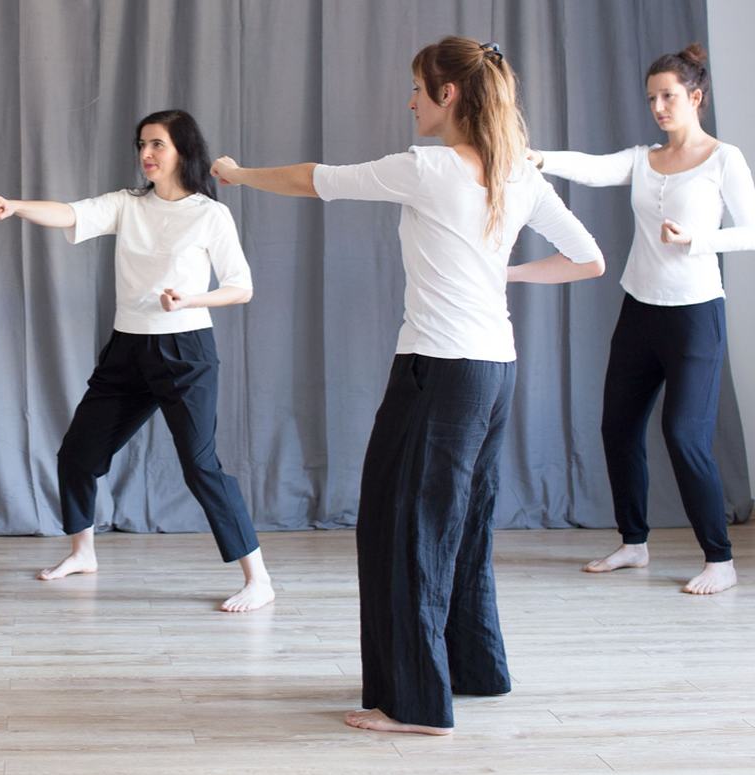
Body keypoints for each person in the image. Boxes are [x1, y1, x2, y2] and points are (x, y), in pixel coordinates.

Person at [211, 37, 604, 733]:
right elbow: (590, 259)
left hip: (438, 371)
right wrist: (502, 274)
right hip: (494, 371)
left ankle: (416, 705)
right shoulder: (517, 174)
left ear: (449, 94)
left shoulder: (429, 168)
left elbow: (315, 179)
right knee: (462, 527)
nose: (411, 100)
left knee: (404, 529)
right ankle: (473, 670)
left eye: (419, 88)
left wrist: (238, 174)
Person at [0, 109, 275, 613]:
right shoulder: (128, 204)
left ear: (183, 150)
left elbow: (241, 287)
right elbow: (71, 213)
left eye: (158, 144)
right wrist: (16, 206)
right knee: (77, 454)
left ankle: (258, 579)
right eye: (142, 144)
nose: (146, 154)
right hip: (128, 349)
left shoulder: (209, 214)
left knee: (201, 467)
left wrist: (190, 299)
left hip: (185, 352)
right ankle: (83, 553)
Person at [530, 43, 753, 595]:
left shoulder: (724, 159)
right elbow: (592, 168)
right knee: (618, 427)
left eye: (668, 96)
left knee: (684, 434)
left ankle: (720, 559)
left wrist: (697, 239)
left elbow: (752, 231)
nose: (658, 107)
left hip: (695, 316)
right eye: (652, 98)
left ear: (695, 97)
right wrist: (539, 159)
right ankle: (633, 543)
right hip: (640, 311)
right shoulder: (642, 159)